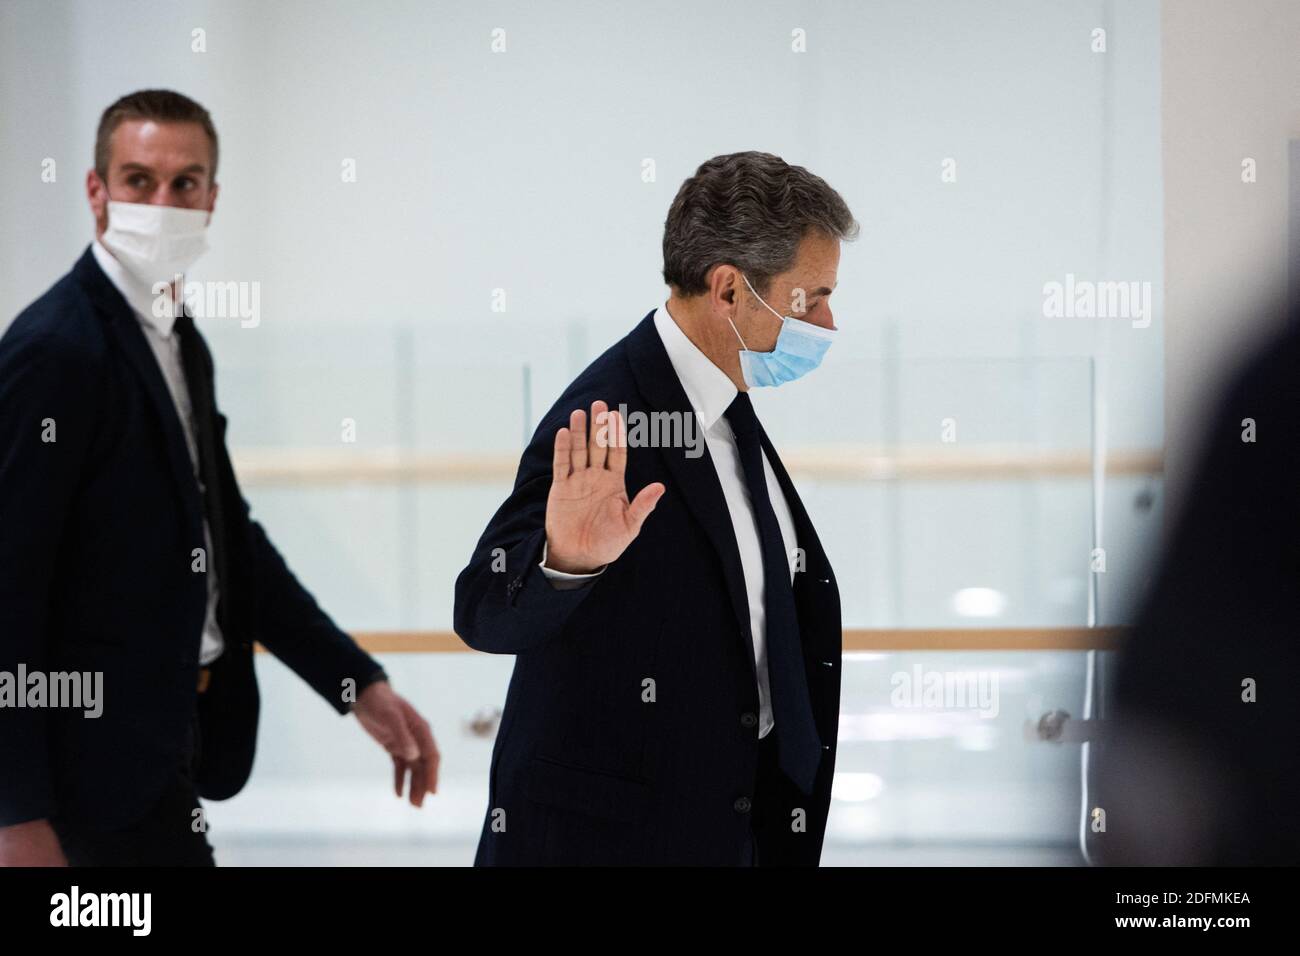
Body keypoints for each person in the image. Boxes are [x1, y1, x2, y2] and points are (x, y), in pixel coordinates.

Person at [0, 89, 439, 866]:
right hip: (79, 792)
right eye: (138, 181)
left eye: (185, 183)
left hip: (168, 752)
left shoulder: (178, 341)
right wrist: (14, 818)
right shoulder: (57, 351)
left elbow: (229, 544)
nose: (162, 203)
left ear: (212, 199)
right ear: (96, 192)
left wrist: (356, 685)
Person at [455, 151, 856, 865]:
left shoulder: (725, 403)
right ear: (730, 290)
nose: (828, 322)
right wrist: (566, 562)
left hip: (724, 824)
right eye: (810, 298)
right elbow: (482, 606)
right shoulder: (609, 414)